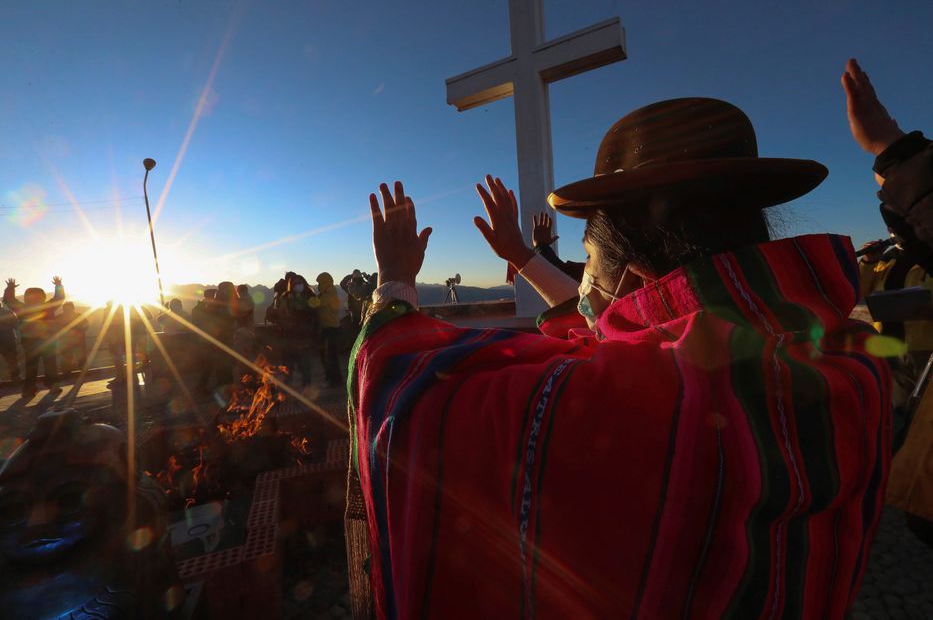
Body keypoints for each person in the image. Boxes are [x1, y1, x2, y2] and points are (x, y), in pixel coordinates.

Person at [351, 98, 890, 619]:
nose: (583, 283)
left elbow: (408, 398)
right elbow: (602, 335)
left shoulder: (630, 402)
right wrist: (522, 256)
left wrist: (395, 283)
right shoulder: (852, 360)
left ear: (634, 277)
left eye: (586, 260)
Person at [843, 57, 933, 543]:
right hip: (887, 352)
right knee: (881, 424)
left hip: (922, 355)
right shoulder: (877, 258)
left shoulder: (923, 256)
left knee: (913, 430)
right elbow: (851, 292)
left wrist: (892, 150)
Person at [3, 277, 64, 398]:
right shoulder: (45, 307)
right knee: (43, 366)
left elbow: (9, 301)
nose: (35, 299)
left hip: (39, 343)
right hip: (41, 342)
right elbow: (59, 298)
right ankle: (46, 385)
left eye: (37, 296)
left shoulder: (25, 308)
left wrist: (10, 289)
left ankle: (32, 389)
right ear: (26, 298)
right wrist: (58, 286)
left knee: (41, 366)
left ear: (42, 297)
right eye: (32, 296)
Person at [273, 274, 318, 387]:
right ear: (291, 285)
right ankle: (288, 387)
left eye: (300, 283)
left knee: (305, 363)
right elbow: (281, 315)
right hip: (289, 334)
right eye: (295, 284)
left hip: (304, 334)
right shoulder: (286, 297)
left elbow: (316, 313)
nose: (298, 286)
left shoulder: (310, 296)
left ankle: (306, 385)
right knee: (288, 363)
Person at [311, 272, 342, 387]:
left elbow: (318, 303)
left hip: (331, 328)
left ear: (325, 283)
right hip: (326, 328)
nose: (318, 285)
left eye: (319, 283)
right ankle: (330, 378)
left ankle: (335, 381)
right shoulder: (326, 293)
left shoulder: (330, 293)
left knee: (331, 356)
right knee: (327, 356)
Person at [58, 301, 89, 375]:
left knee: (71, 357)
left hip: (71, 341)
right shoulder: (79, 316)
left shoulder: (60, 317)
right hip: (74, 341)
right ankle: (81, 372)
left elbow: (86, 325)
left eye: (68, 309)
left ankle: (67, 373)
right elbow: (86, 325)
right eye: (65, 309)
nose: (67, 311)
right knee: (72, 357)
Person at [0, 304, 19, 383]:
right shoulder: (9, 312)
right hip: (9, 339)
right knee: (12, 361)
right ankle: (15, 378)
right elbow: (15, 325)